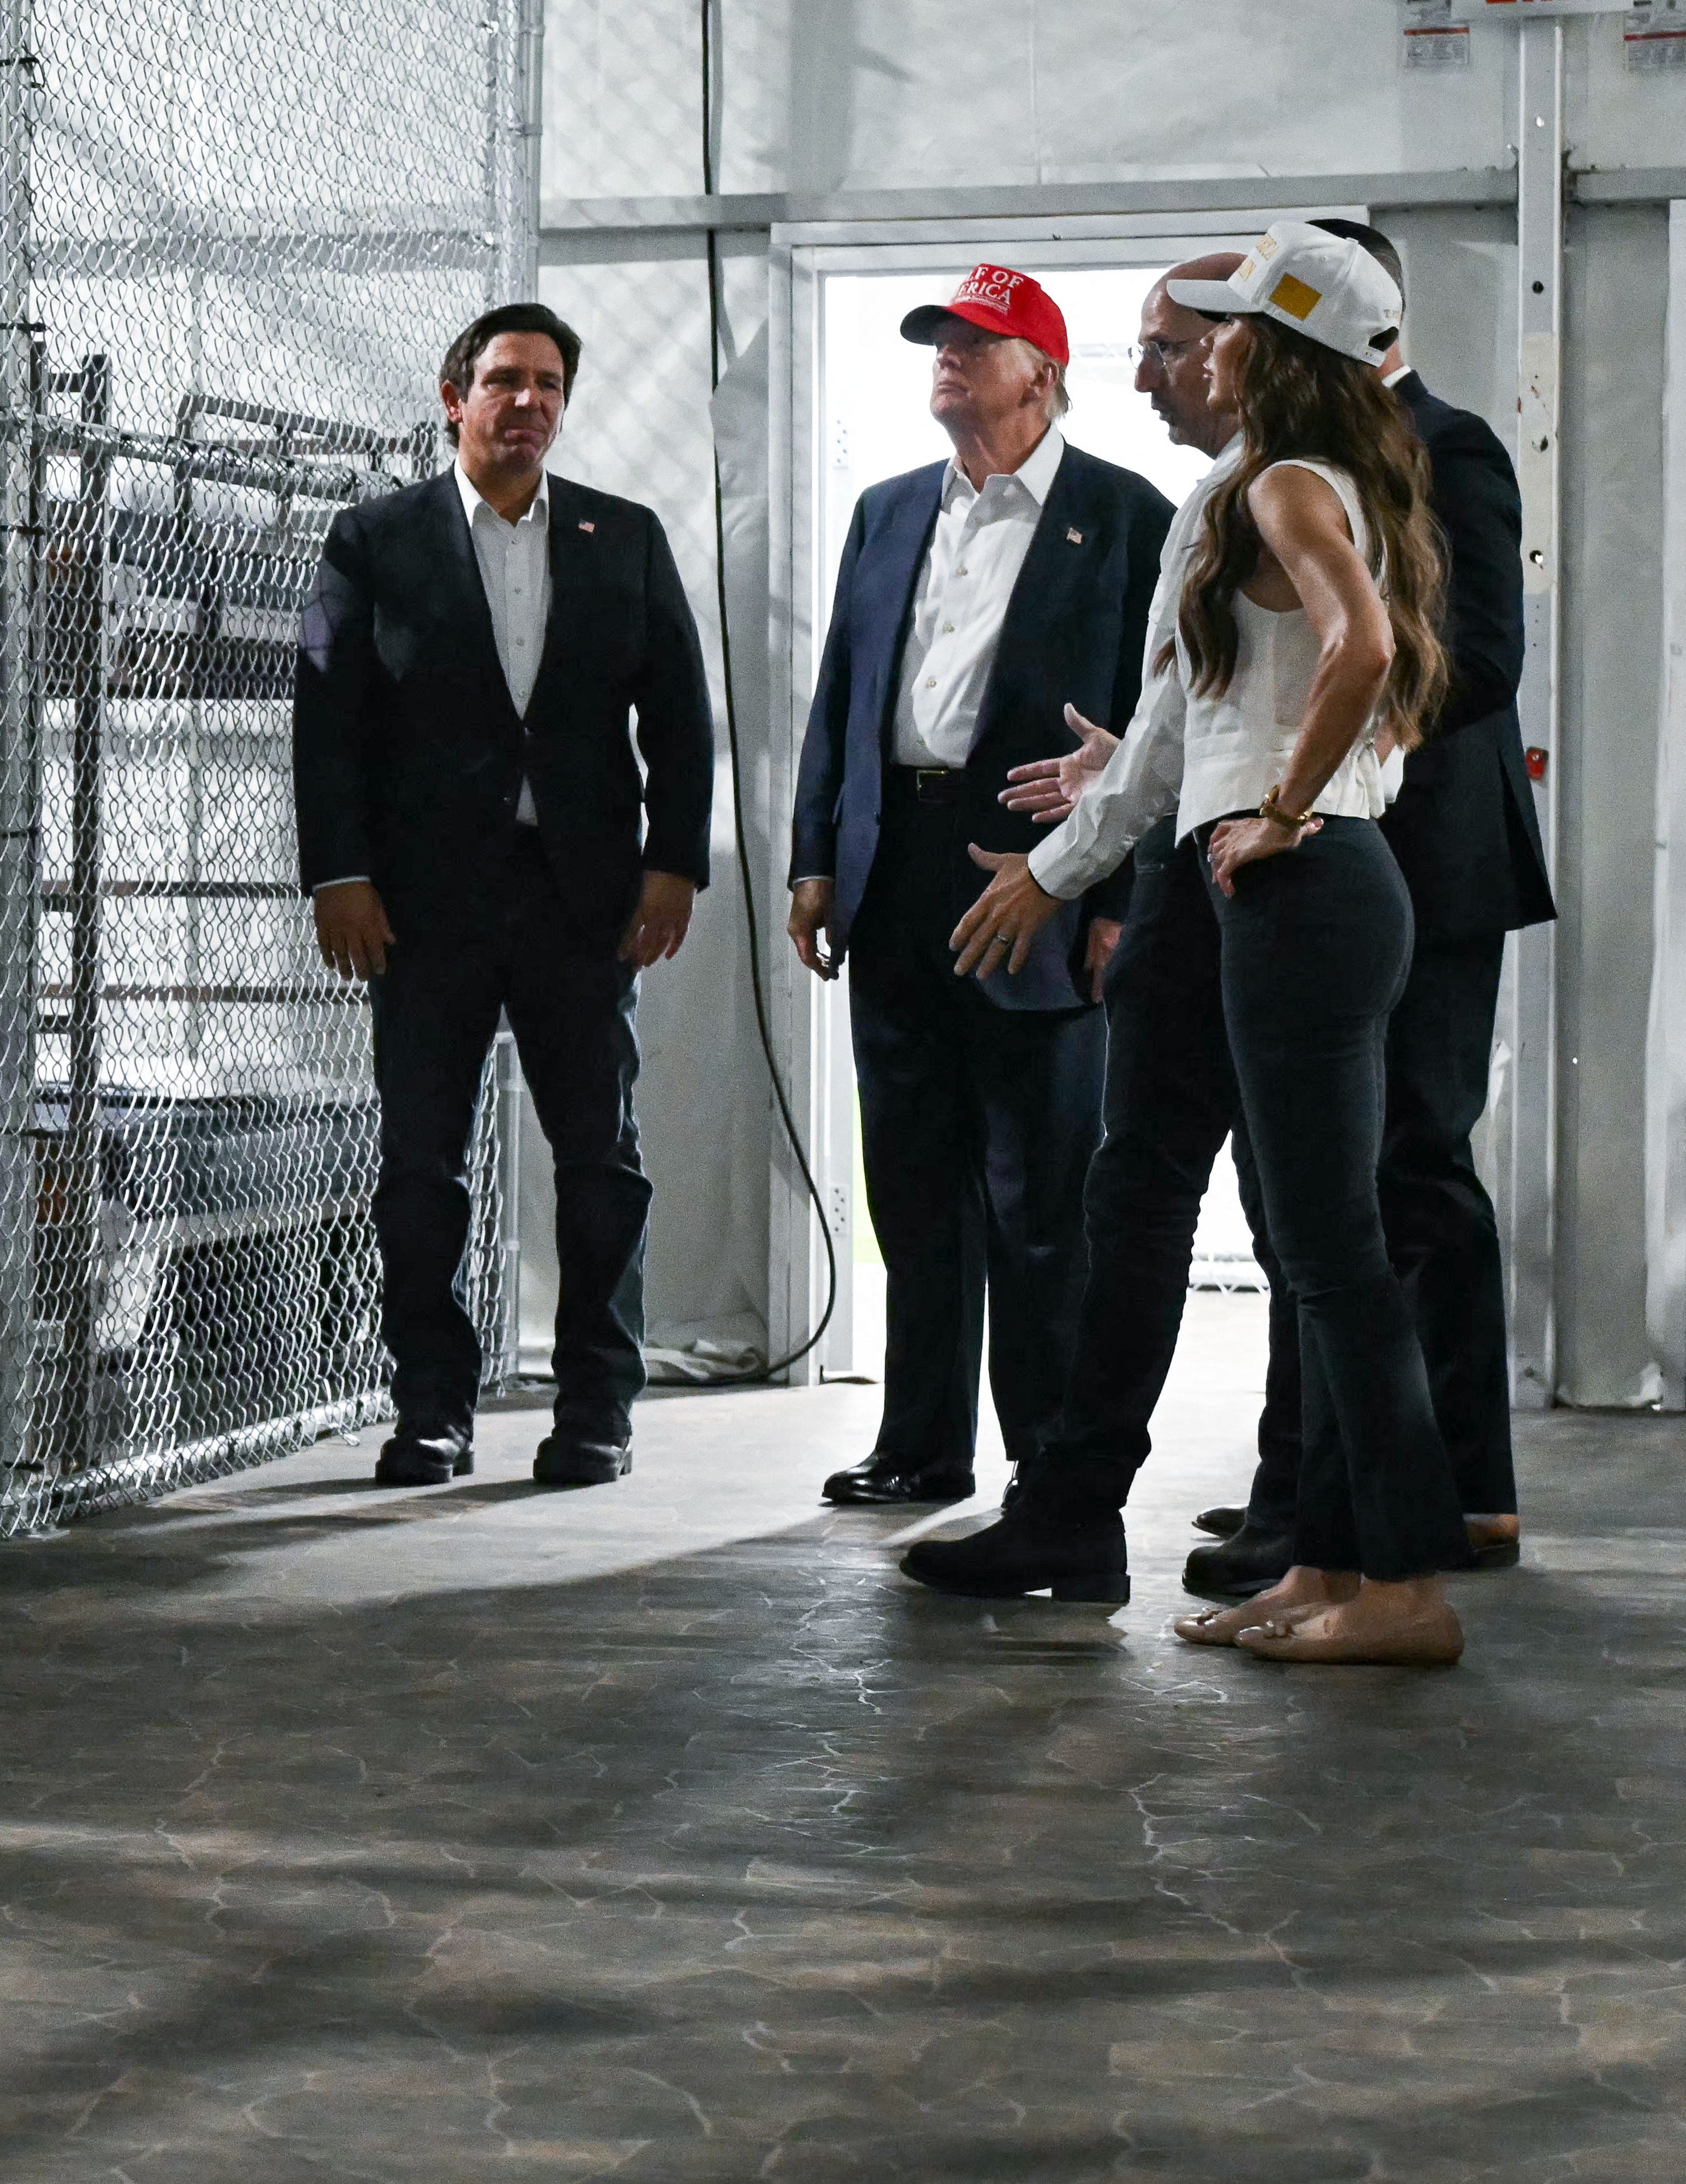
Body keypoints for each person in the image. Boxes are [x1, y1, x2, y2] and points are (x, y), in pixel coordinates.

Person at [929, 223, 1470, 1665]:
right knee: (1315, 1246)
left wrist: (1281, 808)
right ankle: (1332, 1566)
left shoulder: (1288, 483)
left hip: (1301, 890)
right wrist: (1227, 792)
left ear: (1274, 352)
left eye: (1218, 328)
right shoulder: (1313, 481)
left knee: (1332, 1252)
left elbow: (1355, 653)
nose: (1194, 348)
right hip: (1299, 884)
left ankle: (1404, 1588)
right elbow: (1216, 715)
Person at [295, 303, 715, 1491]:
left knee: (601, 1164)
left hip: (583, 901)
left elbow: (679, 717)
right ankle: (430, 1410)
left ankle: (596, 1411)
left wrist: (672, 861)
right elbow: (324, 724)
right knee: (420, 1166)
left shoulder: (622, 538)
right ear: (454, 398)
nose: (525, 402)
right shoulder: (366, 541)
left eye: (546, 385)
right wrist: (339, 875)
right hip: (420, 909)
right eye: (502, 382)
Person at [1188, 216, 1547, 1596]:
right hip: (1339, 847)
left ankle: (1461, 1492)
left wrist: (1330, 768)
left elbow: (1480, 659)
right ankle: (1310, 1492)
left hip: (1426, 862)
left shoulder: (1443, 444)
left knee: (1407, 1175)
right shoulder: (1279, 468)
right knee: (1322, 1195)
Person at [784, 264, 1177, 1510]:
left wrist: (1115, 900)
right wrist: (813, 859)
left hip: (1040, 874)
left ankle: (1047, 1460)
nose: (948, 359)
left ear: (1043, 376)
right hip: (894, 864)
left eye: (976, 342)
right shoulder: (887, 510)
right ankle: (919, 1442)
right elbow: (844, 694)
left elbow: (1157, 725)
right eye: (938, 342)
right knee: (912, 1172)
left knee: (1039, 1190)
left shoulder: (1126, 517)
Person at [898, 255, 1251, 1602]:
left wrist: (1070, 873)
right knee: (1155, 1202)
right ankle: (1074, 1506)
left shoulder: (1245, 493)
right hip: (1189, 875)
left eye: (1168, 348)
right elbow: (1181, 728)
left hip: (1247, 889)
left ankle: (1347, 1537)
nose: (1145, 371)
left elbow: (1357, 676)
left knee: (1270, 1225)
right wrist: (1133, 778)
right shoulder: (1239, 492)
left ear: (1249, 351)